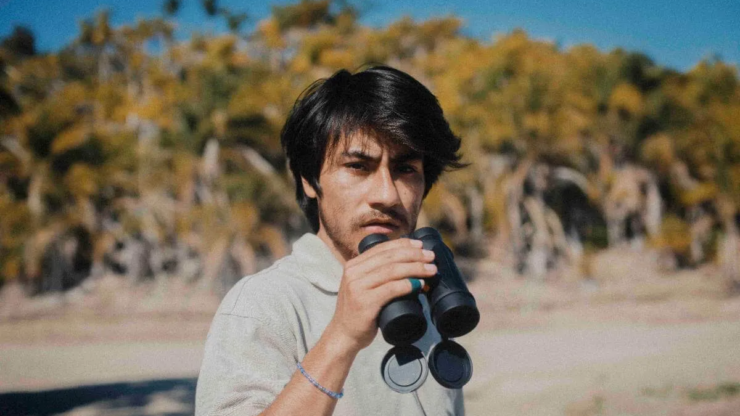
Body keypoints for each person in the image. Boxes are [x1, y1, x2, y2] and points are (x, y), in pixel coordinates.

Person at [195, 66, 467, 416]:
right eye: (358, 166)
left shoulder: (430, 294)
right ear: (310, 180)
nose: (387, 195)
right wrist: (342, 338)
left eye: (405, 169)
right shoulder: (264, 304)